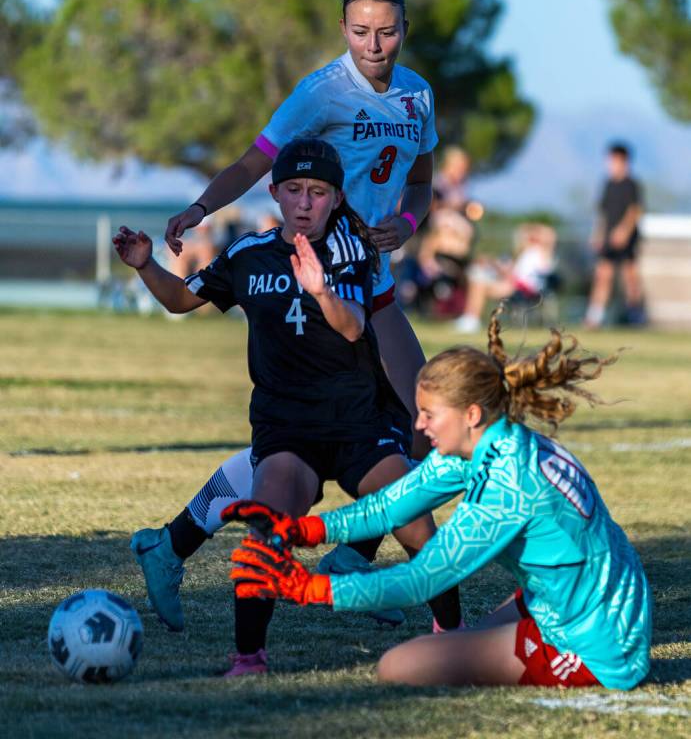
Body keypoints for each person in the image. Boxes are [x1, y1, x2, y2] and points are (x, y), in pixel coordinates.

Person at [131, 0, 444, 632]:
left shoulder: (418, 96)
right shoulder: (321, 93)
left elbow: (419, 185)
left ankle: (337, 560)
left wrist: (407, 227)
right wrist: (198, 207)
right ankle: (183, 547)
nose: (374, 45)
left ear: (404, 29)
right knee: (304, 438)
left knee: (414, 427)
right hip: (318, 277)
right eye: (360, 31)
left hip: (369, 278)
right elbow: (253, 163)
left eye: (387, 31)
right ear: (342, 29)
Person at [115, 138, 461, 675]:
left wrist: (322, 291)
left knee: (413, 518)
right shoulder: (248, 255)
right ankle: (248, 658)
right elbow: (182, 299)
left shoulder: (354, 251)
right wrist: (144, 266)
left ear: (337, 198)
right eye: (294, 190)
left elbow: (352, 327)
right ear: (274, 192)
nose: (305, 202)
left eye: (319, 192)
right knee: (268, 528)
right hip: (287, 428)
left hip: (359, 423)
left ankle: (452, 639)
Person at [227, 306, 652, 689]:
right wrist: (306, 529)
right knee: (463, 642)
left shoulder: (507, 485)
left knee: (400, 664)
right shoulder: (489, 441)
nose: (419, 424)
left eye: (430, 414)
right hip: (592, 599)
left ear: (470, 414)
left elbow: (424, 578)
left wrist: (310, 588)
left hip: (597, 642)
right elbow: (391, 505)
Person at [584, 142, 646, 328]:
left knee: (630, 278)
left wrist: (624, 231)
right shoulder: (608, 184)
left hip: (627, 239)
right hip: (608, 239)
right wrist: (598, 233)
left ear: (623, 160)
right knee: (603, 276)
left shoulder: (632, 185)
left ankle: (635, 316)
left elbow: (635, 210)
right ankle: (594, 317)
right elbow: (603, 213)